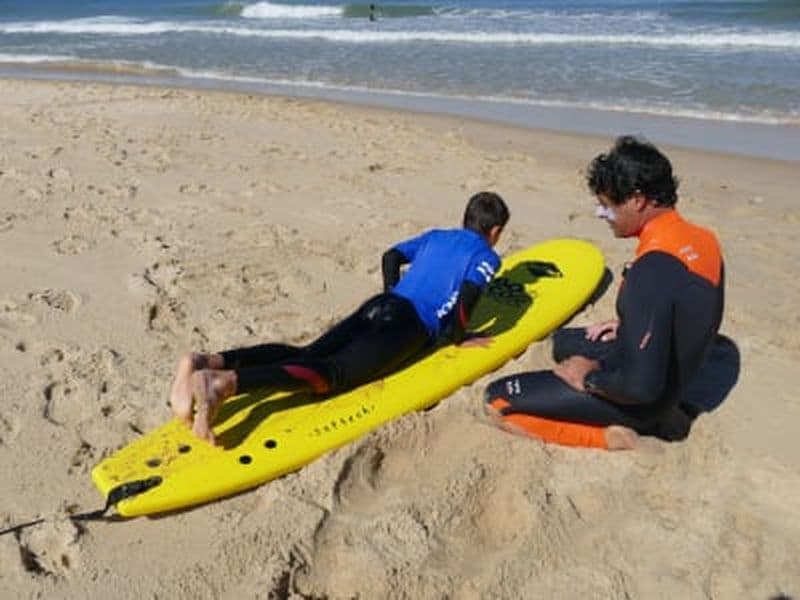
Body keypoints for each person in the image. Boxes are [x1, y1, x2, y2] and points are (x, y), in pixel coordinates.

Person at [171, 191, 510, 444]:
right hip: (409, 324)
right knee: (334, 375)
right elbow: (467, 299)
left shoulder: (437, 236)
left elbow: (391, 256)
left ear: (465, 218)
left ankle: (208, 361)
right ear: (495, 231)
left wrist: (392, 292)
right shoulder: (486, 257)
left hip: (382, 304)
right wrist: (457, 337)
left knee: (307, 354)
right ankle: (225, 383)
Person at [484, 135, 724, 450]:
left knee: (497, 400)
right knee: (563, 343)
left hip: (641, 400)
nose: (601, 214)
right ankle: (658, 408)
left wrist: (588, 377)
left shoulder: (651, 271)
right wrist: (632, 325)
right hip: (668, 377)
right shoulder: (703, 239)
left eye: (607, 206)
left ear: (638, 201)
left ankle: (610, 437)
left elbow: (640, 388)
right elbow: (687, 308)